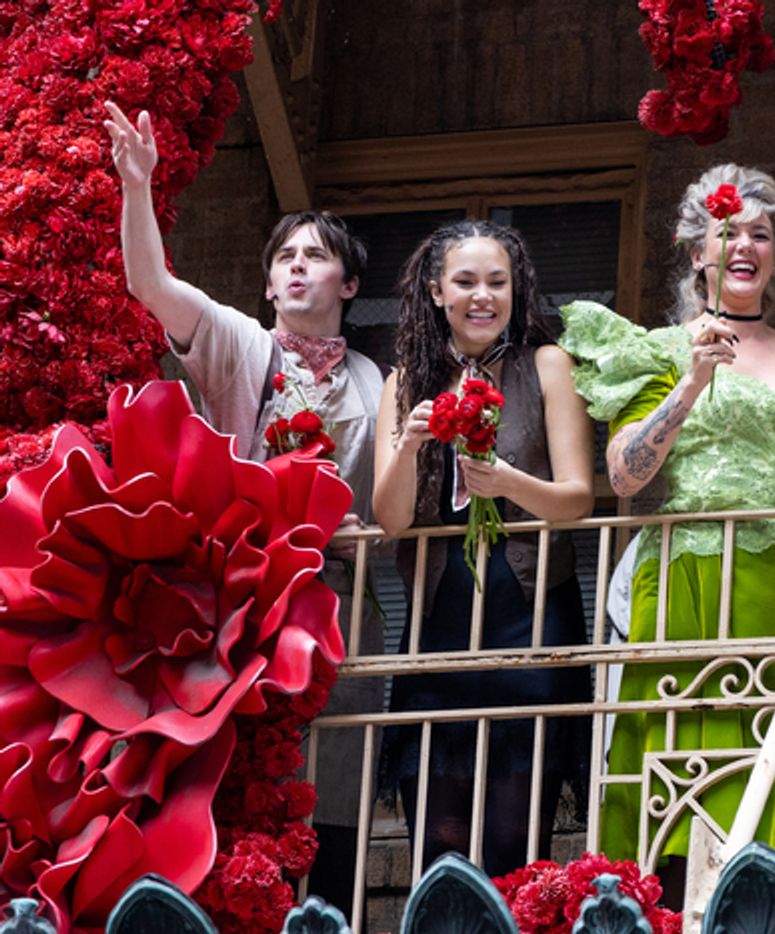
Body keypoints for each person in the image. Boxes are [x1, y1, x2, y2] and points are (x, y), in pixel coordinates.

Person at [559, 163, 775, 900]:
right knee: (687, 776)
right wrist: (688, 384)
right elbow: (623, 477)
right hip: (689, 586)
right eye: (727, 232)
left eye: (761, 233)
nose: (744, 246)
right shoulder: (657, 350)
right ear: (695, 252)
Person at [104, 102, 384, 914]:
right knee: (241, 765)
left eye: (318, 257)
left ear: (350, 283)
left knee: (335, 776)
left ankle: (327, 911)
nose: (298, 268)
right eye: (285, 257)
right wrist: (138, 184)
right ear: (267, 283)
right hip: (245, 599)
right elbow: (149, 285)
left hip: (342, 602)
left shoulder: (375, 378)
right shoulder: (238, 344)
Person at [373, 220, 594, 876]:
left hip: (528, 612)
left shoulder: (546, 364)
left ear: (515, 290)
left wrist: (507, 482)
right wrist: (411, 444)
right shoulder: (405, 378)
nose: (482, 296)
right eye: (465, 281)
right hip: (441, 622)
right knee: (438, 836)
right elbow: (389, 521)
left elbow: (577, 498)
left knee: (513, 831)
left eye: (497, 282)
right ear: (437, 290)